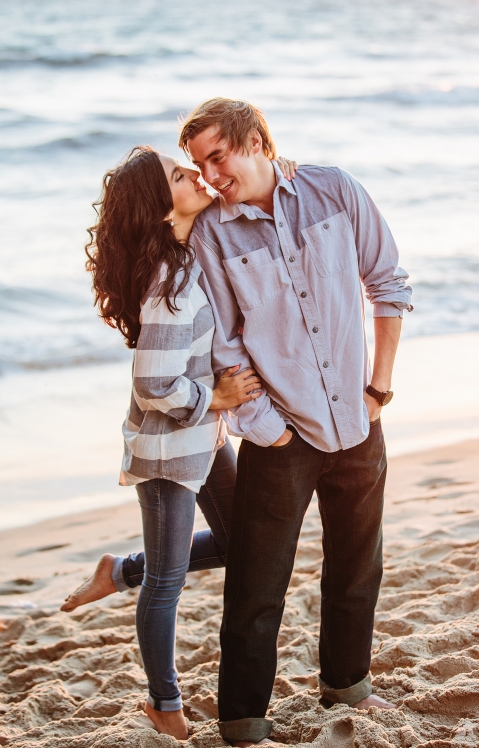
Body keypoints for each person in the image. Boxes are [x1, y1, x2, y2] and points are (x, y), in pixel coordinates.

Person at [179, 98, 412, 747]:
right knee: (257, 585)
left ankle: (348, 685)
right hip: (280, 436)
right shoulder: (211, 235)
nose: (210, 176)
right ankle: (244, 722)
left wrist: (378, 390)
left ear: (255, 139)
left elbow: (388, 283)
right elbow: (221, 342)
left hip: (358, 420)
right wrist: (267, 426)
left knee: (358, 565)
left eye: (217, 157)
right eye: (199, 166)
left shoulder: (334, 189)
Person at [78, 145, 278, 741]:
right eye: (178, 174)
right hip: (169, 448)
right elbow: (154, 383)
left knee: (250, 542)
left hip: (204, 439)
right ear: (159, 205)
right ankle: (163, 703)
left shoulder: (185, 254)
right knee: (167, 583)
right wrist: (212, 398)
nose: (195, 175)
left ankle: (120, 570)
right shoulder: (167, 281)